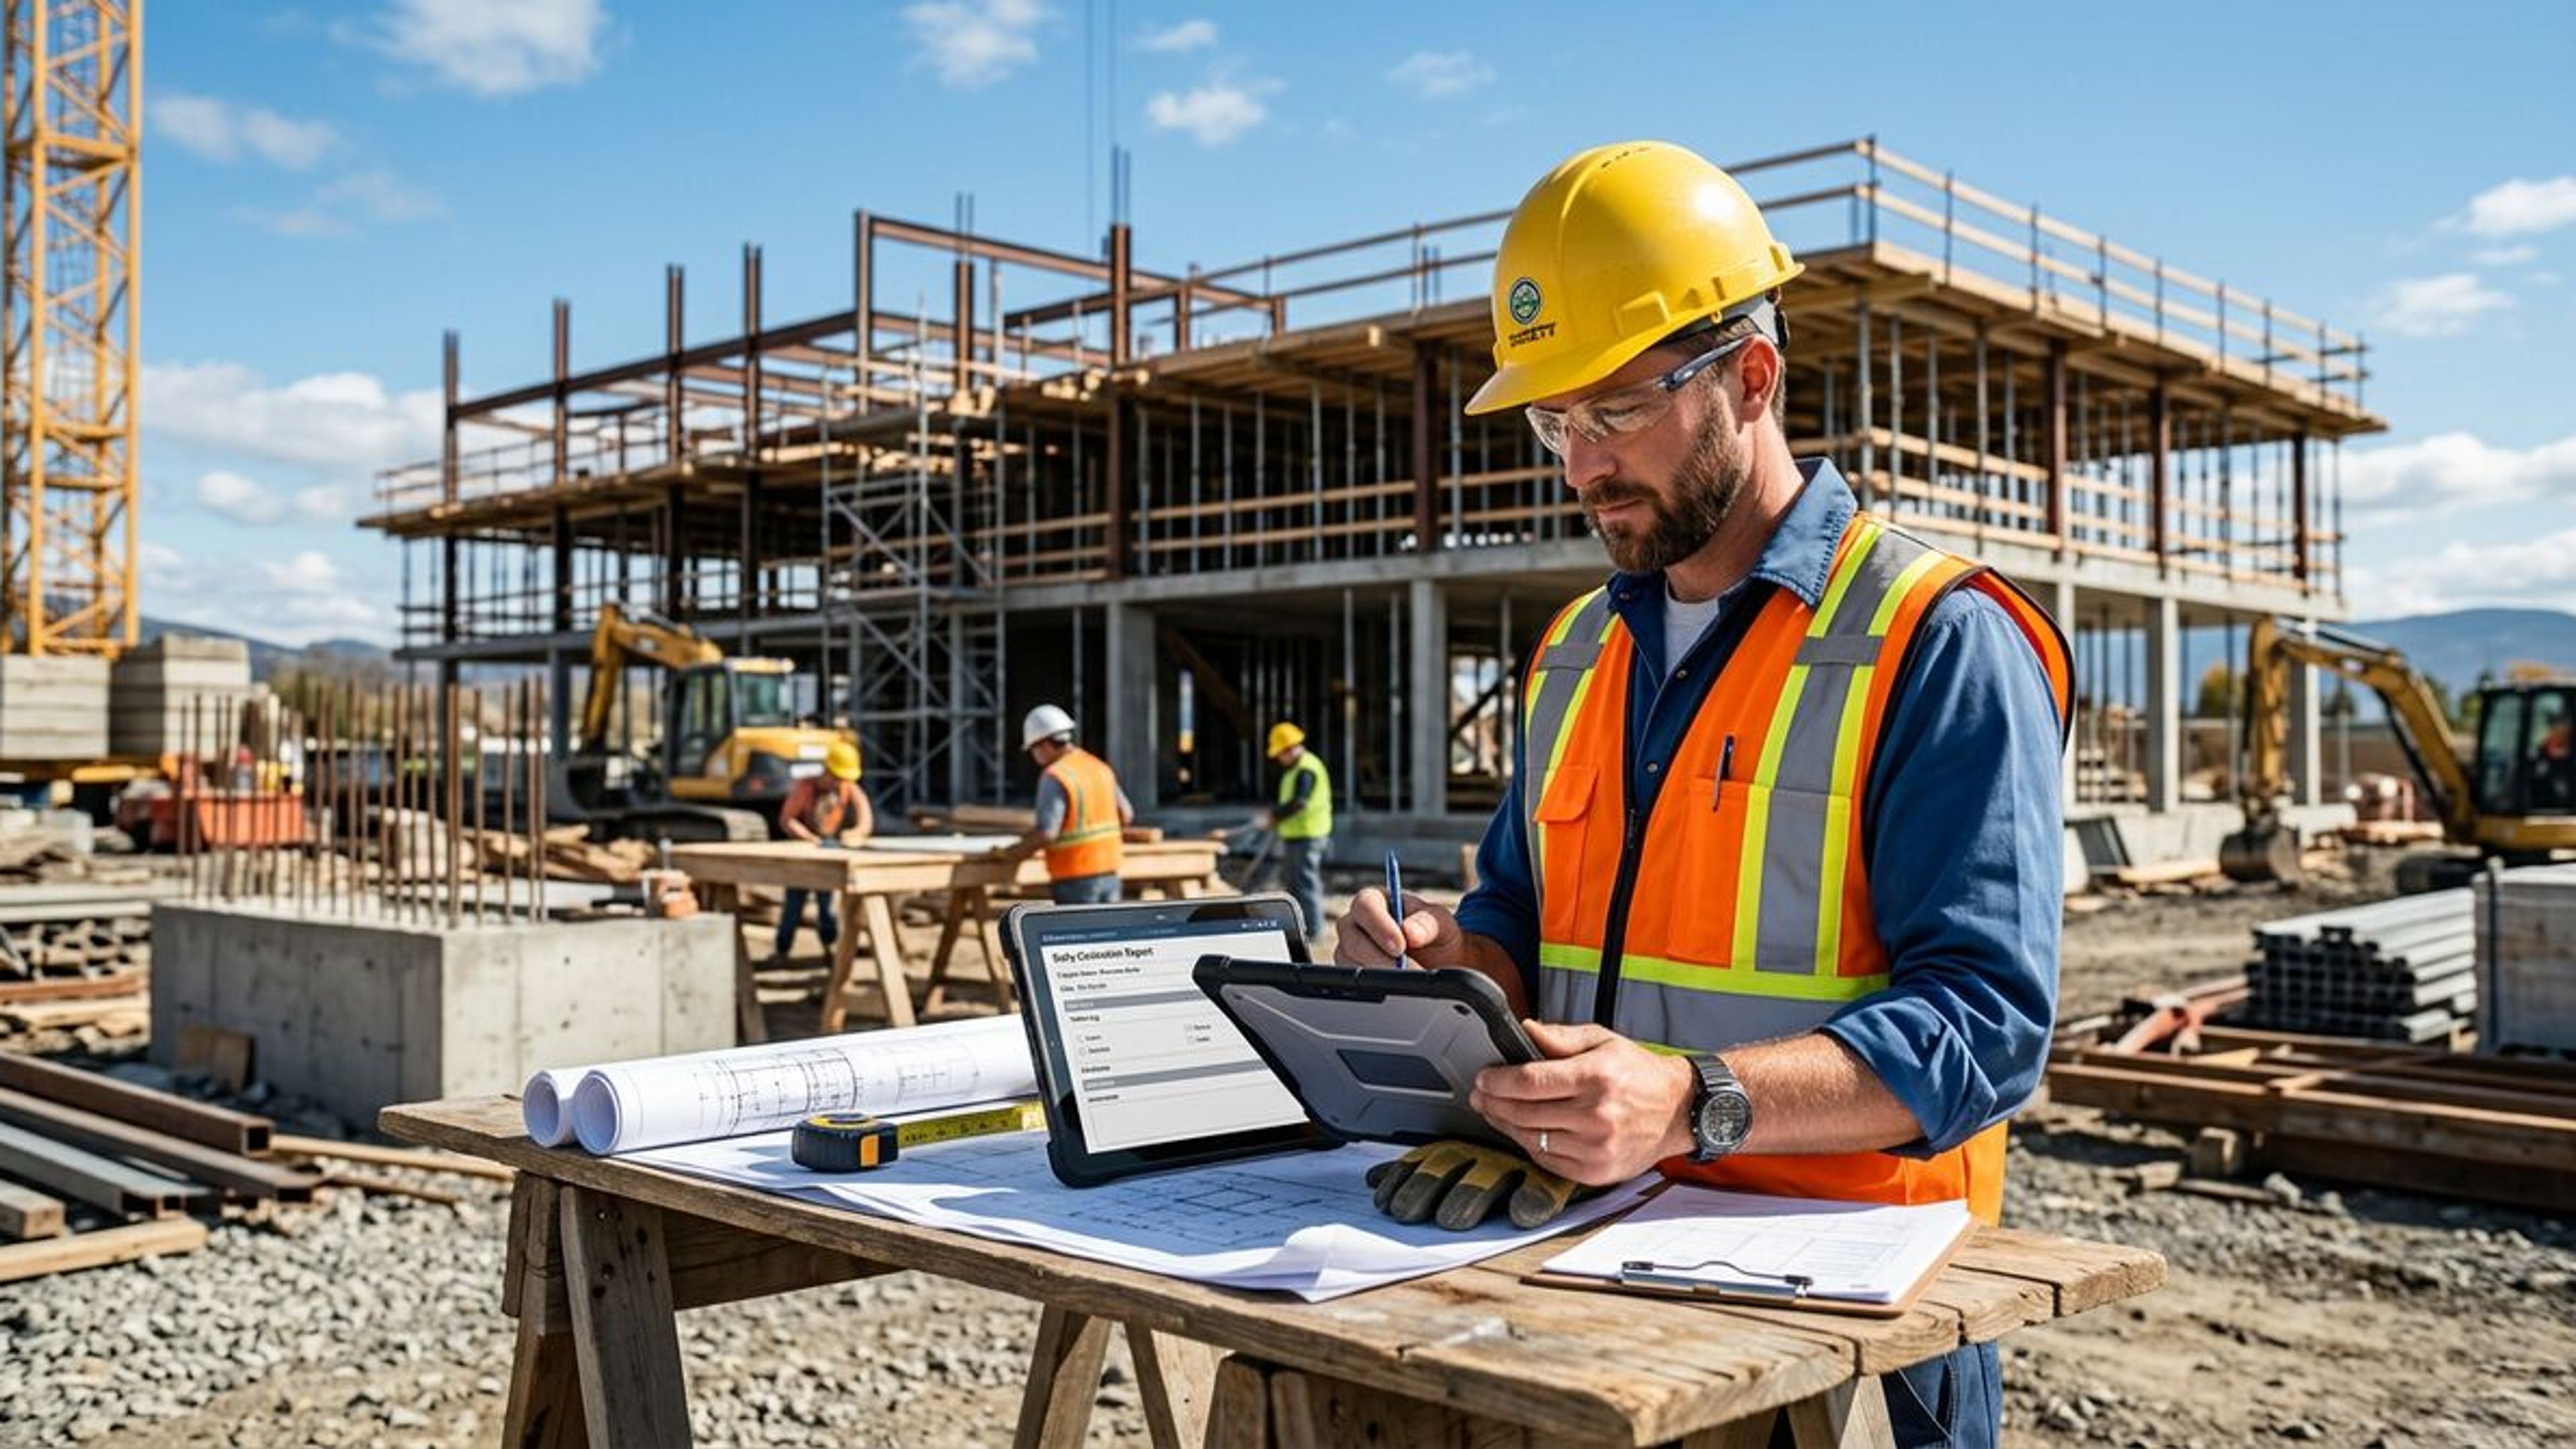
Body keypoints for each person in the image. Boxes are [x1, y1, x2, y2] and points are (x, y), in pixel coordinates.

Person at [1336, 140, 2072, 1449]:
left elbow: (1987, 1026)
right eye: (1555, 422)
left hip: (1844, 1331)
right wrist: (1453, 965)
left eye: (1614, 411)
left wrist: (1690, 1100)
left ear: (1752, 377)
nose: (1580, 465)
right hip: (1577, 1275)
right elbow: (1521, 918)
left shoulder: (1932, 639)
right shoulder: (1576, 655)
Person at [996, 704, 1133, 904]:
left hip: (1074, 876)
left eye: (1033, 748)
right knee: (1109, 934)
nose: (1034, 756)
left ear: (1043, 744)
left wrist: (1011, 853)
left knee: (1077, 935)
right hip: (1110, 871)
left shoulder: (1056, 776)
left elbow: (1047, 833)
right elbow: (1126, 815)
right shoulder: (1099, 767)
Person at [770, 740, 873, 963]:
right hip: (802, 853)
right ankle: (782, 950)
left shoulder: (848, 788)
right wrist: (809, 838)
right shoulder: (805, 788)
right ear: (827, 770)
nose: (838, 783)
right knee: (793, 906)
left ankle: (830, 947)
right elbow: (787, 819)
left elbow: (866, 819)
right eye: (836, 777)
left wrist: (856, 833)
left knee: (827, 907)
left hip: (829, 853)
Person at [1256, 721, 1333, 938]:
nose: (1279, 759)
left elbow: (1300, 803)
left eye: (1280, 753)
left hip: (1308, 835)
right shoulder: (1297, 769)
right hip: (1297, 835)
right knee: (1295, 884)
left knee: (1306, 883)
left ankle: (1315, 932)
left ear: (1288, 749)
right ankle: (1300, 928)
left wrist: (1274, 816)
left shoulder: (1306, 769)